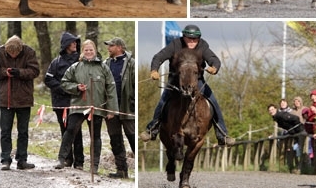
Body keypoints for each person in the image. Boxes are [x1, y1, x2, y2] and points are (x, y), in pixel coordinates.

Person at [140, 24, 235, 146]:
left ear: (199, 39)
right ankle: (152, 129)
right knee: (162, 102)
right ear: (183, 37)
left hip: (197, 81)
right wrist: (154, 70)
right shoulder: (175, 44)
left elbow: (214, 59)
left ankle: (222, 135)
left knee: (213, 102)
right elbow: (159, 57)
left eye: (195, 39)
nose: (192, 41)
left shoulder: (203, 46)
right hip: (175, 81)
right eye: (189, 38)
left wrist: (214, 68)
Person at [54, 40, 118, 173]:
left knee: (95, 136)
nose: (89, 52)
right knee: (70, 130)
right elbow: (64, 83)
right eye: (86, 50)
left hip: (97, 107)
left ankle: (94, 166)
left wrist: (112, 109)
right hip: (78, 105)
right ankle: (61, 158)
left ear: (95, 51)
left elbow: (111, 88)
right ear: (82, 52)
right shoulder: (75, 67)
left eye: (91, 50)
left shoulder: (103, 67)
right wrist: (76, 87)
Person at [44, 32, 84, 170]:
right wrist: (63, 89)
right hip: (60, 102)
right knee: (65, 130)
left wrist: (75, 89)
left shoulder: (80, 61)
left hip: (77, 101)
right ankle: (68, 159)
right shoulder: (56, 62)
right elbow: (48, 79)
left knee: (76, 130)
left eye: (75, 42)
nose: (75, 44)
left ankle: (79, 161)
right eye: (72, 42)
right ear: (66, 45)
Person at [0, 35, 39, 170]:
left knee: (23, 131)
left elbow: (35, 71)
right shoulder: (0, 52)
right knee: (5, 131)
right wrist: (5, 72)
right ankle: (5, 159)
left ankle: (22, 160)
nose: (12, 55)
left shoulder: (29, 52)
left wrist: (19, 73)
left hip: (24, 99)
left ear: (20, 50)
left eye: (15, 53)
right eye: (10, 53)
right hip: (5, 100)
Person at [102, 37, 134, 179]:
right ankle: (121, 170)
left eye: (111, 45)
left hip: (127, 107)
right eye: (108, 46)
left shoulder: (131, 64)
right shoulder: (105, 64)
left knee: (132, 138)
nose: (108, 48)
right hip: (111, 109)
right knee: (115, 139)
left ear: (120, 47)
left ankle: (139, 170)